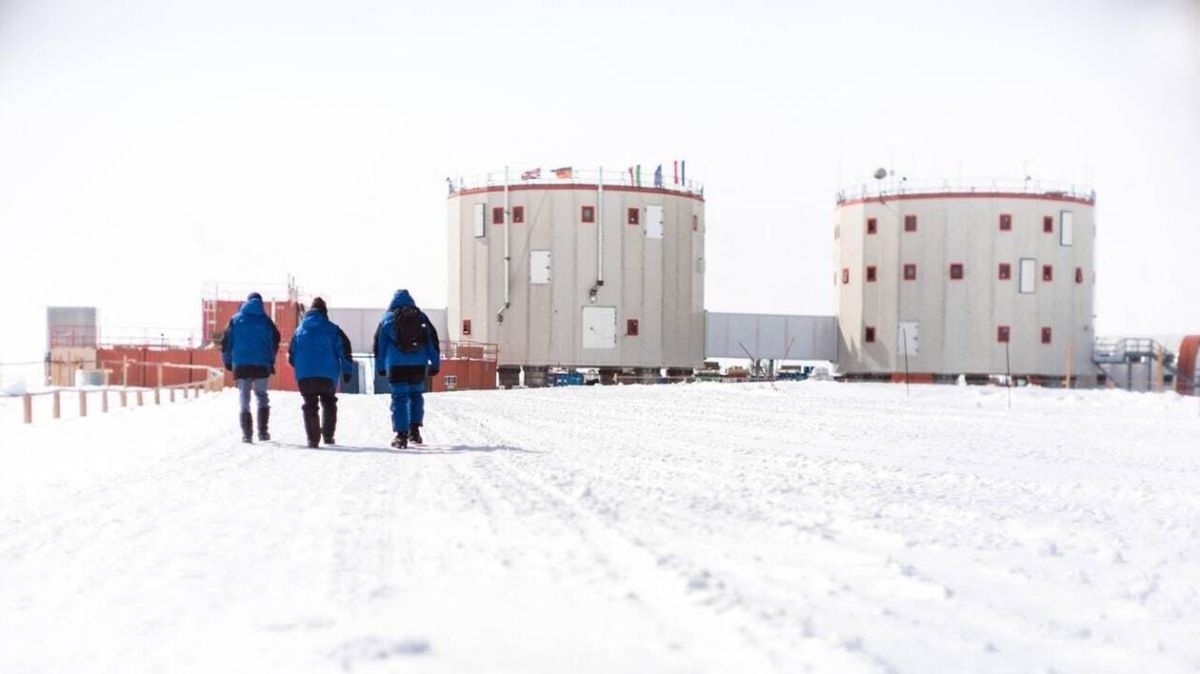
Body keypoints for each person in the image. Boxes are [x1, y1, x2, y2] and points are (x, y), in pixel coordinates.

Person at [373, 289, 440, 448]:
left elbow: (379, 346)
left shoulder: (387, 319)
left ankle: (401, 436)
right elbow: (433, 342)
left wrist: (380, 366)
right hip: (418, 366)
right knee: (416, 395)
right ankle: (415, 432)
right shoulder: (421, 318)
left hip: (397, 366)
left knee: (400, 398)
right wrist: (435, 364)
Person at [288, 297, 354, 448]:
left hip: (305, 376)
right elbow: (345, 350)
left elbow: (291, 355)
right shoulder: (333, 329)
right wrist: (347, 371)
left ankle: (313, 439)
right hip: (328, 376)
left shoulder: (298, 331)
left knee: (309, 404)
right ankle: (329, 437)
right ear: (325, 312)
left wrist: (300, 369)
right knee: (329, 402)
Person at [221, 292, 281, 443]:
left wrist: (228, 362)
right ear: (261, 303)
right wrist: (271, 362)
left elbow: (225, 344)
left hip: (241, 366)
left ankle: (247, 435)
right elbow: (274, 342)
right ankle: (263, 432)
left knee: (244, 398)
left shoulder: (235, 320)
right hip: (262, 365)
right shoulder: (266, 321)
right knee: (261, 396)